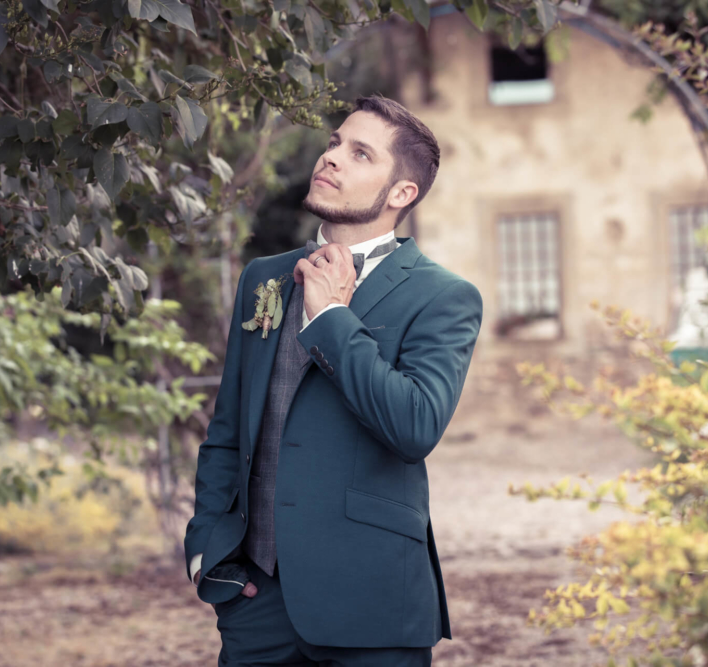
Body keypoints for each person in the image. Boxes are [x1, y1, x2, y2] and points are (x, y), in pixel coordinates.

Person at [185, 93, 484, 666]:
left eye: (361, 154)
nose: (332, 158)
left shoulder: (443, 297)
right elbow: (228, 430)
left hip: (373, 607)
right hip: (255, 607)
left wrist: (331, 319)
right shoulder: (264, 278)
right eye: (334, 143)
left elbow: (414, 426)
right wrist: (207, 550)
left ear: (401, 194)